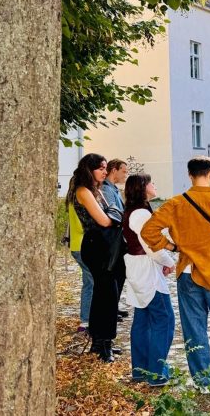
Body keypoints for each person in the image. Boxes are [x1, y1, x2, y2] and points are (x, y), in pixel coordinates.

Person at [141, 156, 210, 393]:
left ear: (189, 175)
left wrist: (172, 246)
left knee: (194, 328)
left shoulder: (177, 203)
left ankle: (203, 381)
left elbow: (149, 231)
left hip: (188, 271)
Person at [123, 174, 176, 386]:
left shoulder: (135, 211)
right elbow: (151, 246)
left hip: (138, 268)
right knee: (164, 319)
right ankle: (156, 371)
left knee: (143, 320)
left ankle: (140, 369)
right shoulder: (141, 214)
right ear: (142, 188)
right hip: (146, 269)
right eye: (151, 182)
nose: (155, 185)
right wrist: (168, 261)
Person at [68, 153, 119, 362]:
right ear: (90, 169)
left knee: (106, 295)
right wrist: (114, 215)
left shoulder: (95, 190)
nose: (105, 172)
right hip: (95, 245)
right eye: (101, 168)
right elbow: (104, 220)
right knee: (105, 295)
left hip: (103, 244)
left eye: (106, 168)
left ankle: (102, 342)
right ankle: (101, 343)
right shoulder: (83, 191)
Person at [102, 158, 128, 319]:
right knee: (115, 274)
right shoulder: (106, 190)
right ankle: (110, 308)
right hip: (112, 238)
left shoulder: (114, 189)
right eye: (124, 171)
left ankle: (114, 305)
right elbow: (112, 212)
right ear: (114, 170)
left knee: (120, 274)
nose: (126, 175)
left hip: (117, 236)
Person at [66, 179, 92, 334]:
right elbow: (81, 227)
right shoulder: (79, 200)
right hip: (83, 246)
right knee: (91, 283)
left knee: (89, 282)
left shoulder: (71, 199)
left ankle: (86, 319)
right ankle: (86, 320)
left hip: (77, 246)